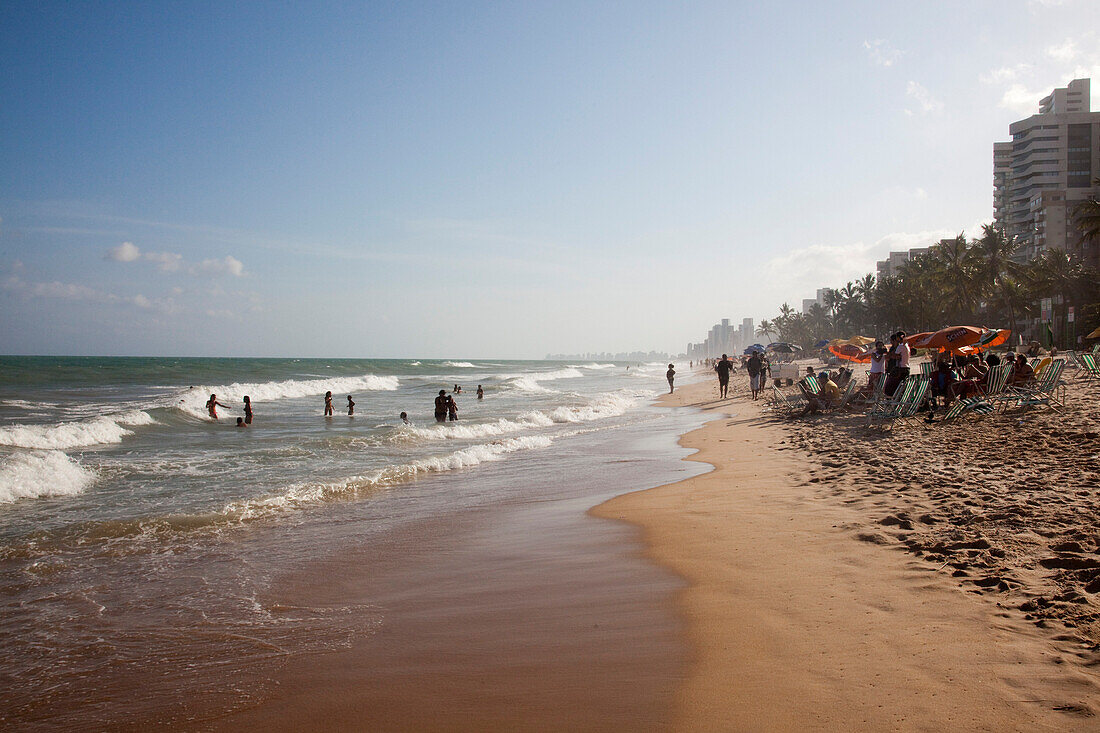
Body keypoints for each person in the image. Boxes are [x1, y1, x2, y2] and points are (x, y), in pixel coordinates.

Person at [883, 331, 910, 397]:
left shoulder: (901, 346)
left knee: (891, 386)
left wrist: (889, 355)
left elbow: (896, 356)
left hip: (901, 369)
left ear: (898, 338)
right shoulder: (906, 346)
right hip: (906, 367)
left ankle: (893, 399)